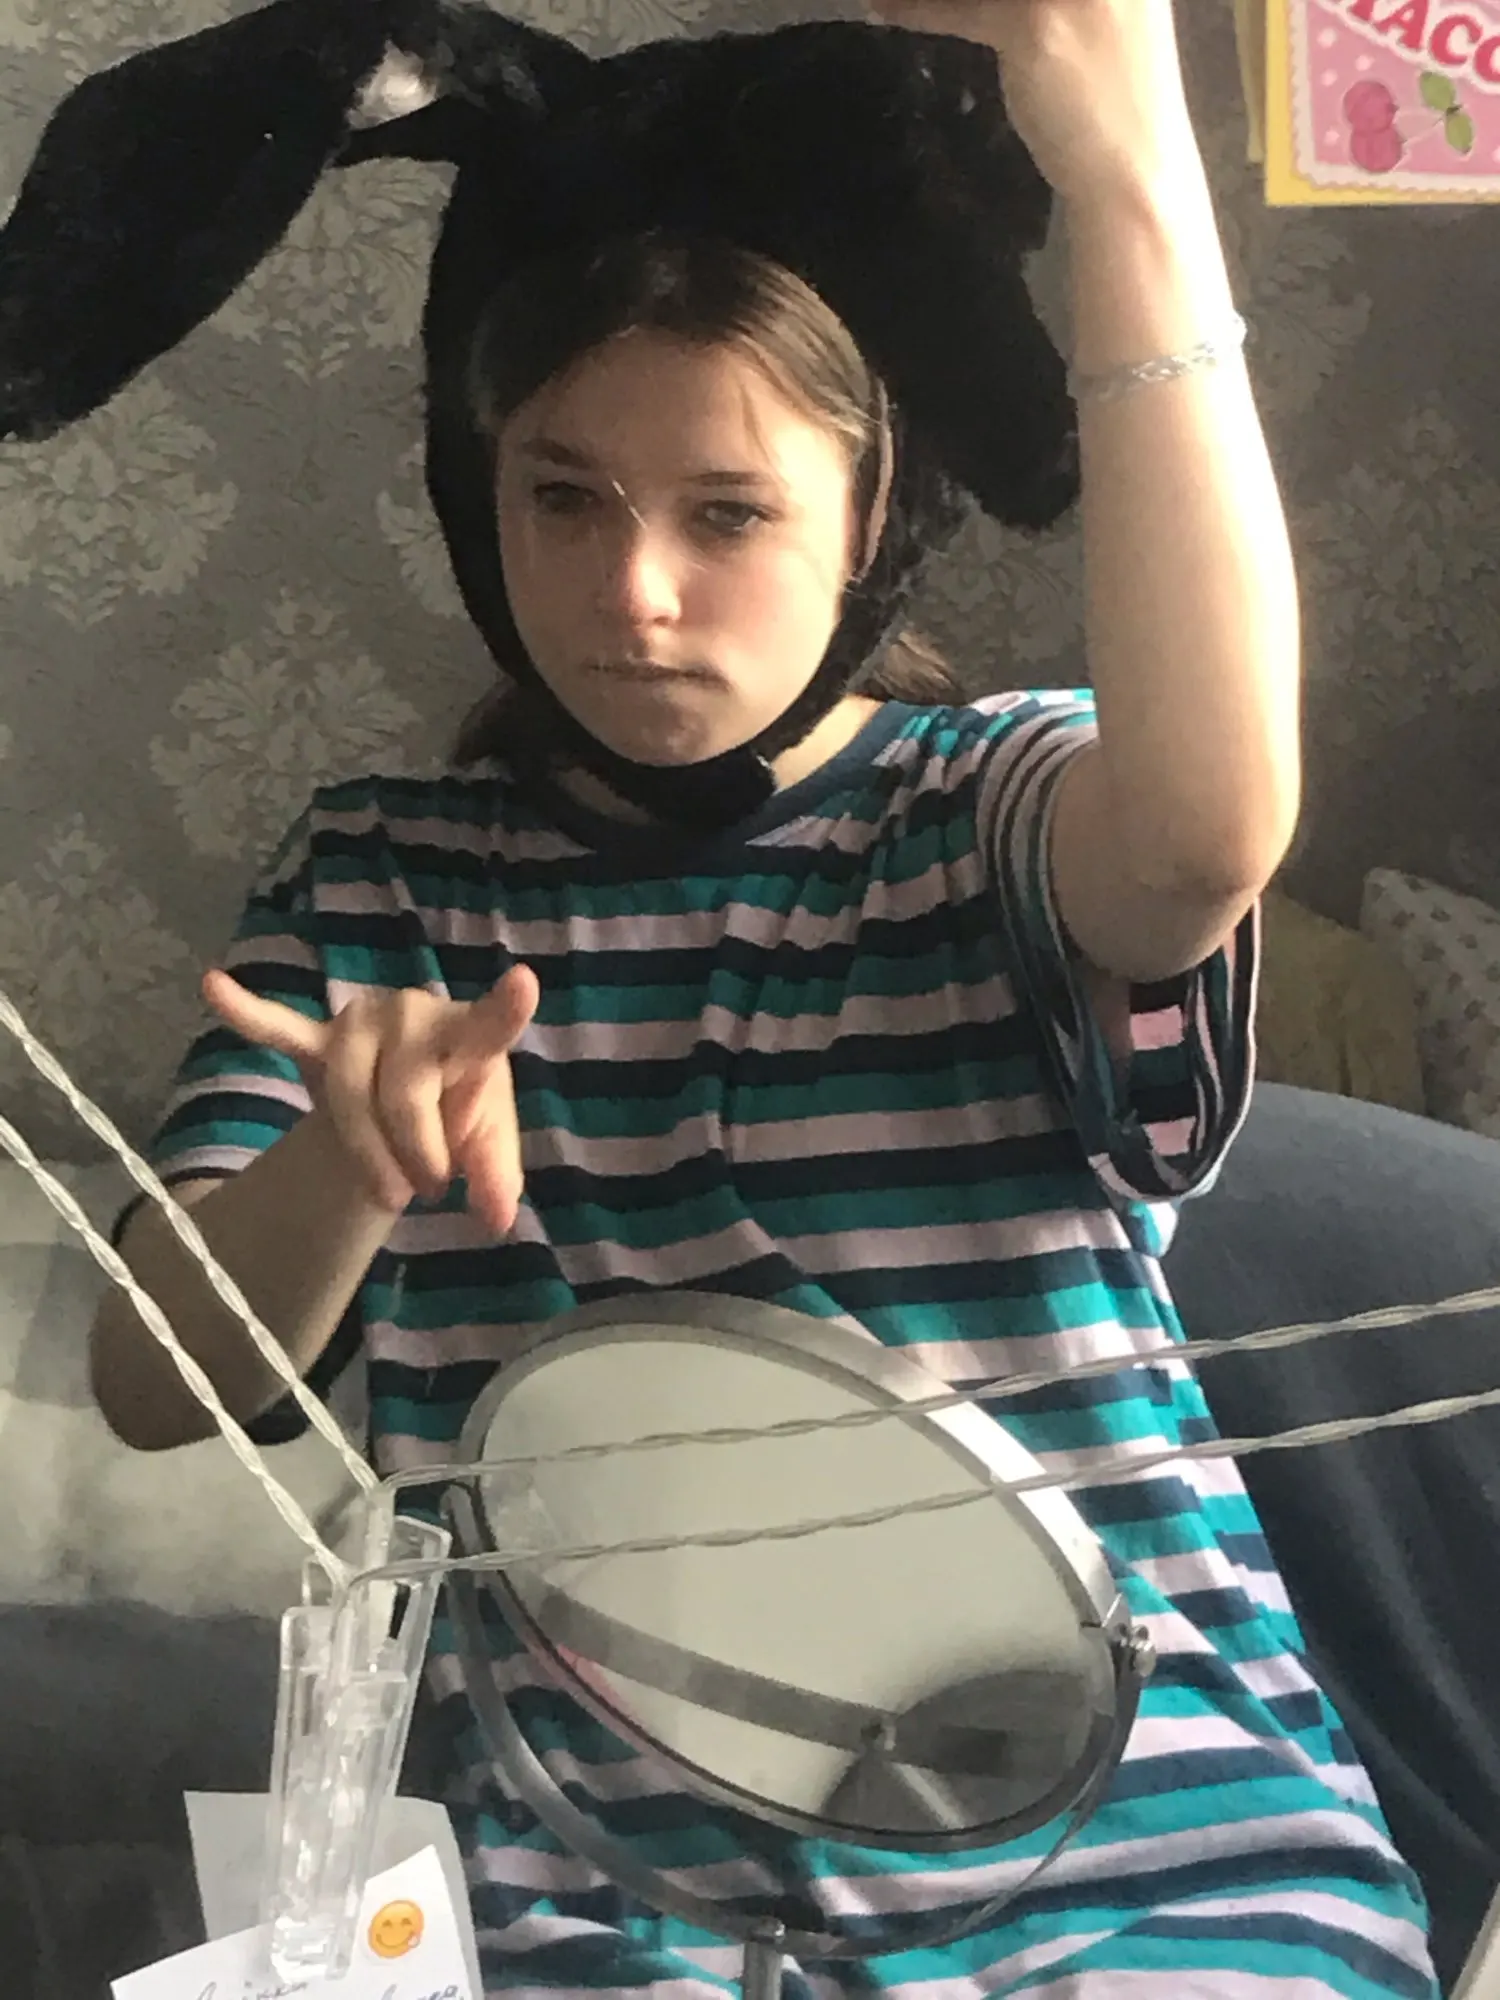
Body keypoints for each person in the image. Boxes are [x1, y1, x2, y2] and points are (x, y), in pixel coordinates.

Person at [86, 2, 1435, 1995]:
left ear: (869, 517)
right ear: (476, 495)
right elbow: (151, 1380)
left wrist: (1134, 182)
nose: (633, 592)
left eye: (726, 512)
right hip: (600, 1876)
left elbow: (1202, 840)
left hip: (1141, 1854)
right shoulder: (383, 878)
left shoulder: (981, 808)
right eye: (563, 497)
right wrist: (344, 1170)